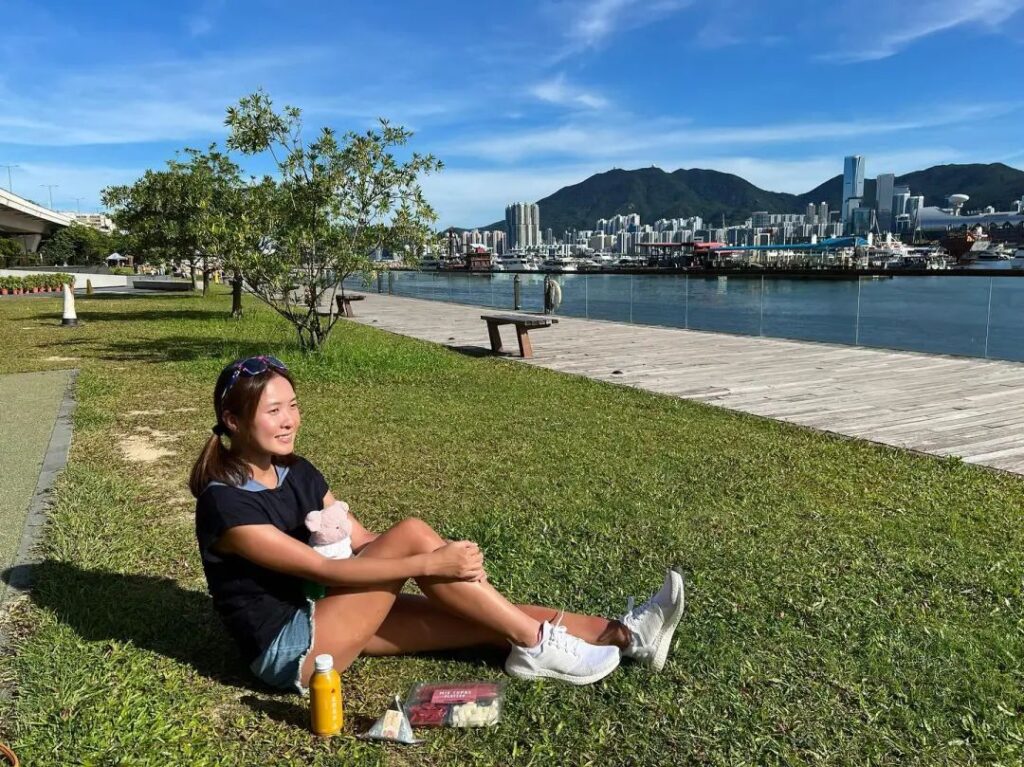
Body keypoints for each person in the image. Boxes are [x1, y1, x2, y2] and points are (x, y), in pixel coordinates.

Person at [190, 355, 686, 693]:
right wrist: (427, 560)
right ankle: (537, 646)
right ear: (232, 421)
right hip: (293, 650)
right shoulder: (225, 504)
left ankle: (626, 635)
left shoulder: (296, 470)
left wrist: (445, 572)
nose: (289, 420)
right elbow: (326, 571)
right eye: (273, 410)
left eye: (293, 405)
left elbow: (361, 542)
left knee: (482, 619)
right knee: (412, 534)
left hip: (332, 615)